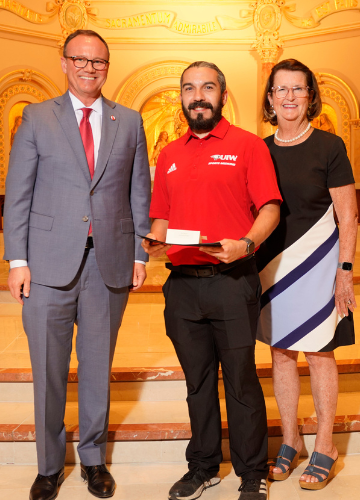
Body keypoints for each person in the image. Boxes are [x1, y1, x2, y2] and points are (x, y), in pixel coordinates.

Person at [3, 29, 151, 500]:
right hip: (46, 265)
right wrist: (18, 259)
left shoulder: (129, 121)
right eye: (81, 60)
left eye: (99, 61)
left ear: (109, 67)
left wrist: (139, 252)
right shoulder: (36, 117)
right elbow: (18, 194)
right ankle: (49, 466)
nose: (90, 68)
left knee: (96, 367)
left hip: (108, 262)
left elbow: (138, 193)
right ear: (64, 63)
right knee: (48, 368)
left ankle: (92, 459)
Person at [142, 61, 281, 500]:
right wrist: (152, 242)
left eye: (206, 87)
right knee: (197, 381)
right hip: (182, 285)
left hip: (231, 280)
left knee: (240, 379)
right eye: (188, 88)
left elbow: (271, 209)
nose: (197, 95)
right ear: (180, 98)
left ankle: (252, 470)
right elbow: (161, 217)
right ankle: (202, 465)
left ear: (222, 95)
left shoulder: (247, 146)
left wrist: (246, 243)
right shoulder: (168, 154)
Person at [257, 58, 357, 491]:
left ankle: (325, 445)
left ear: (310, 96)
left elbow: (348, 216)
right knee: (280, 353)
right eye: (282, 89)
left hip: (319, 264)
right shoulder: (259, 149)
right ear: (270, 98)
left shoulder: (329, 147)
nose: (290, 97)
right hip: (272, 265)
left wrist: (345, 272)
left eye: (298, 89)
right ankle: (291, 439)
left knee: (319, 353)